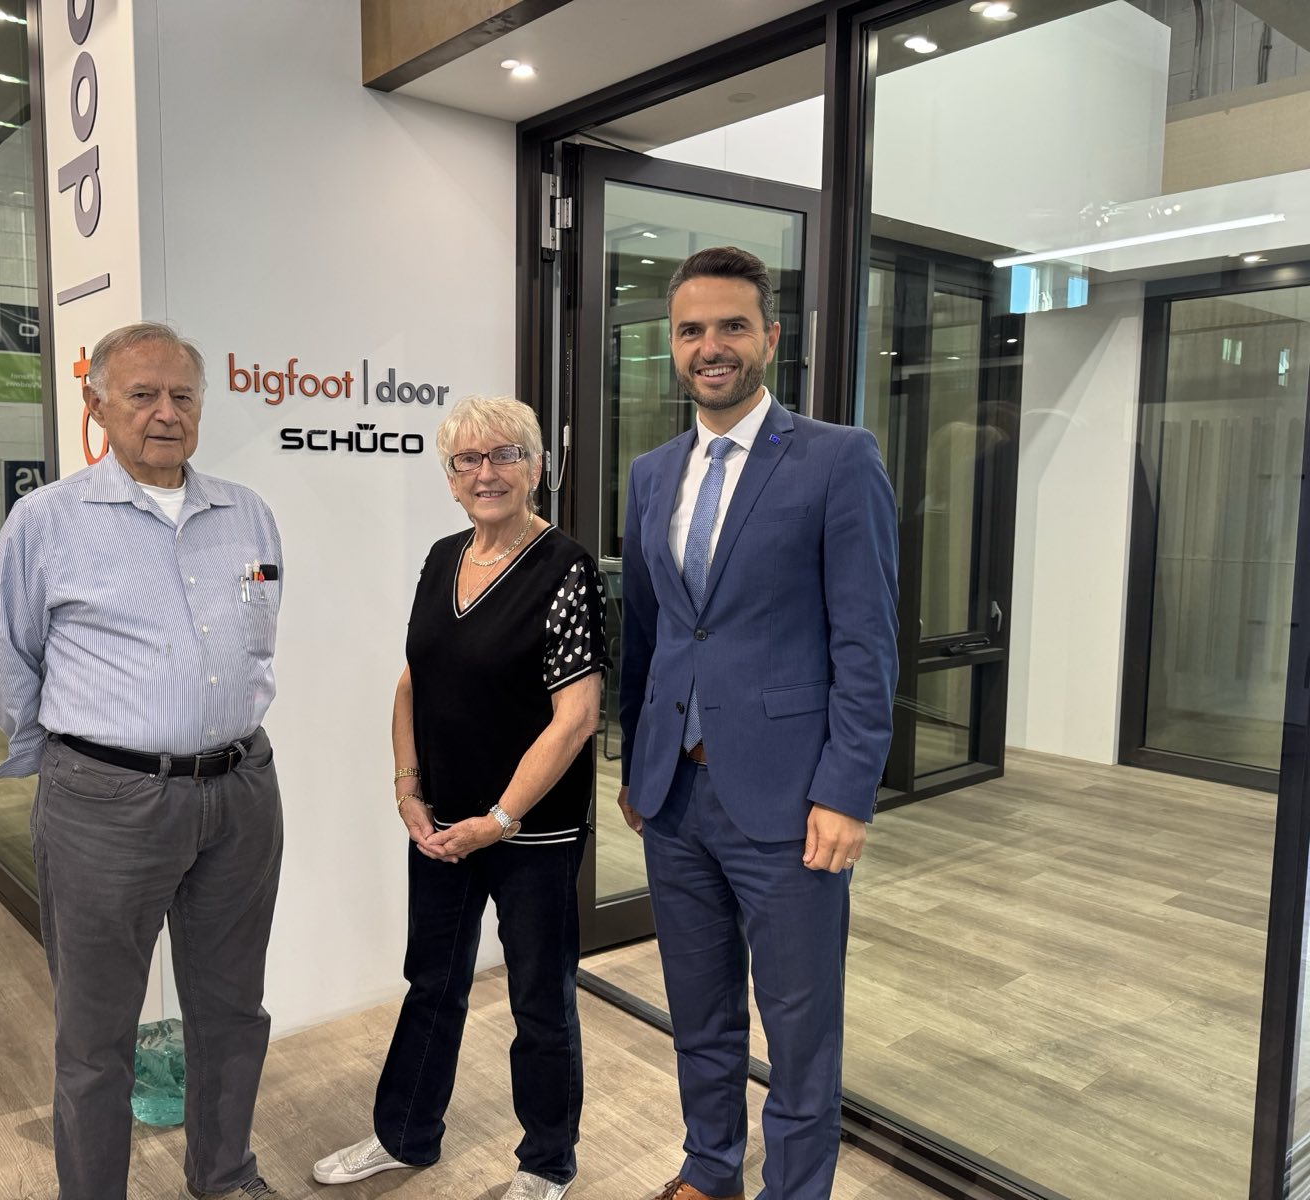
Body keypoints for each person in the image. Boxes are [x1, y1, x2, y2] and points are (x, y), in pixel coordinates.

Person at [0, 321, 285, 1200]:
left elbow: (258, 643)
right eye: (142, 395)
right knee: (96, 1034)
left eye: (181, 395)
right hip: (106, 803)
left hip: (242, 793)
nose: (164, 413)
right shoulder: (48, 521)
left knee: (232, 1010)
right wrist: (68, 758)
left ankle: (224, 1174)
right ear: (99, 405)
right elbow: (3, 658)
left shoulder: (248, 513)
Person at [616, 247, 898, 1200]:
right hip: (675, 797)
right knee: (699, 1013)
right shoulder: (651, 474)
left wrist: (847, 791)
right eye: (692, 330)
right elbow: (649, 634)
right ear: (672, 345)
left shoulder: (837, 458)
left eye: (732, 326)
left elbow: (867, 642)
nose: (712, 346)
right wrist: (638, 764)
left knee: (800, 1032)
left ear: (771, 337)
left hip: (790, 801)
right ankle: (710, 1169)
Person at [313, 396, 606, 1200]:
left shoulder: (565, 567)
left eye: (505, 454)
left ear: (536, 466)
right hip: (442, 825)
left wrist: (500, 819)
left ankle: (546, 1163)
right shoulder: (443, 557)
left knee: (539, 1001)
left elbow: (577, 716)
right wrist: (408, 788)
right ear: (449, 478)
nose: (486, 473)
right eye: (467, 460)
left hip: (531, 833)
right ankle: (404, 1135)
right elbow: (415, 679)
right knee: (432, 982)